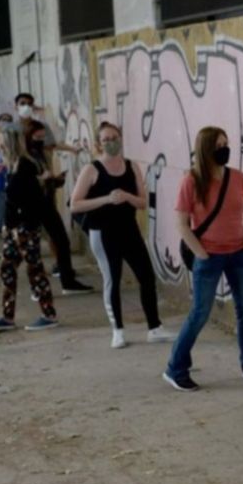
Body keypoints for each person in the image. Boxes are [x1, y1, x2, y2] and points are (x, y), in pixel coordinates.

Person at [162, 126, 243, 391]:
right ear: (206, 149)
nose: (225, 148)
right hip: (209, 256)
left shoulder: (238, 178)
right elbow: (181, 223)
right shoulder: (192, 180)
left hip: (239, 254)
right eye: (219, 144)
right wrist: (200, 252)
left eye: (226, 143)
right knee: (200, 313)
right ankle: (175, 368)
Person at [70, 122, 173, 349]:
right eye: (106, 139)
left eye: (114, 137)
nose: (111, 142)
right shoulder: (92, 170)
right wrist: (107, 199)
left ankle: (154, 327)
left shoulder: (131, 166)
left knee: (146, 276)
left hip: (129, 230)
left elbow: (144, 202)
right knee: (112, 280)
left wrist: (127, 197)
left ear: (121, 138)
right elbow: (75, 205)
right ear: (99, 143)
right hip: (103, 233)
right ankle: (117, 330)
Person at [0, 124, 58, 332]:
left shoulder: (25, 165)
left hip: (25, 228)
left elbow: (32, 200)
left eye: (0, 141)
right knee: (7, 268)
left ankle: (49, 314)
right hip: (13, 228)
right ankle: (8, 317)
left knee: (34, 269)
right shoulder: (12, 165)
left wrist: (22, 225)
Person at [20, 118, 93, 294]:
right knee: (32, 246)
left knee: (61, 240)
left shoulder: (39, 155)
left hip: (45, 202)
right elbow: (20, 184)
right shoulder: (23, 157)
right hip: (30, 206)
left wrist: (53, 180)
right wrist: (42, 179)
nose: (40, 141)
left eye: (43, 137)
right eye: (37, 137)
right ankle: (38, 287)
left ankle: (67, 280)